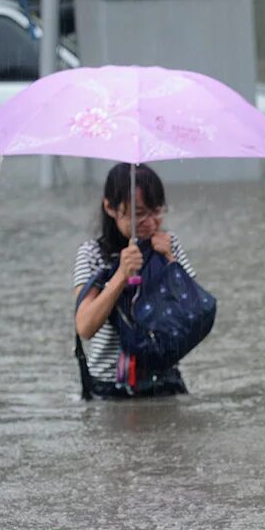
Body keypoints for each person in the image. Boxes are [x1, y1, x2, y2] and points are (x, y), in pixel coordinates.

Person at [72, 163, 196, 399]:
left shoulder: (169, 245)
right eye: (138, 214)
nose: (150, 222)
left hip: (164, 379)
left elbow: (192, 312)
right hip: (109, 387)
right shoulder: (91, 254)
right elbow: (85, 326)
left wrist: (170, 261)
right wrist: (121, 275)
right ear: (109, 207)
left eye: (156, 210)